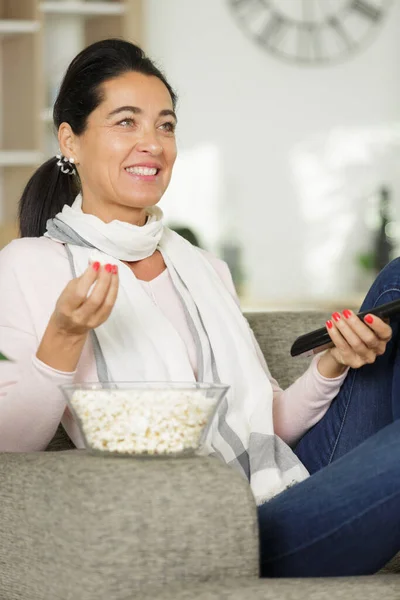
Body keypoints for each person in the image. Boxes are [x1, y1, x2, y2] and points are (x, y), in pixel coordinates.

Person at [0, 39, 399, 578]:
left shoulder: (202, 268)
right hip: (212, 525)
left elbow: (267, 425)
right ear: (69, 140)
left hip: (284, 483)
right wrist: (64, 336)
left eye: (165, 125)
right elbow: (11, 449)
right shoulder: (34, 263)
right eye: (126, 123)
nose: (152, 144)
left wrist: (330, 366)